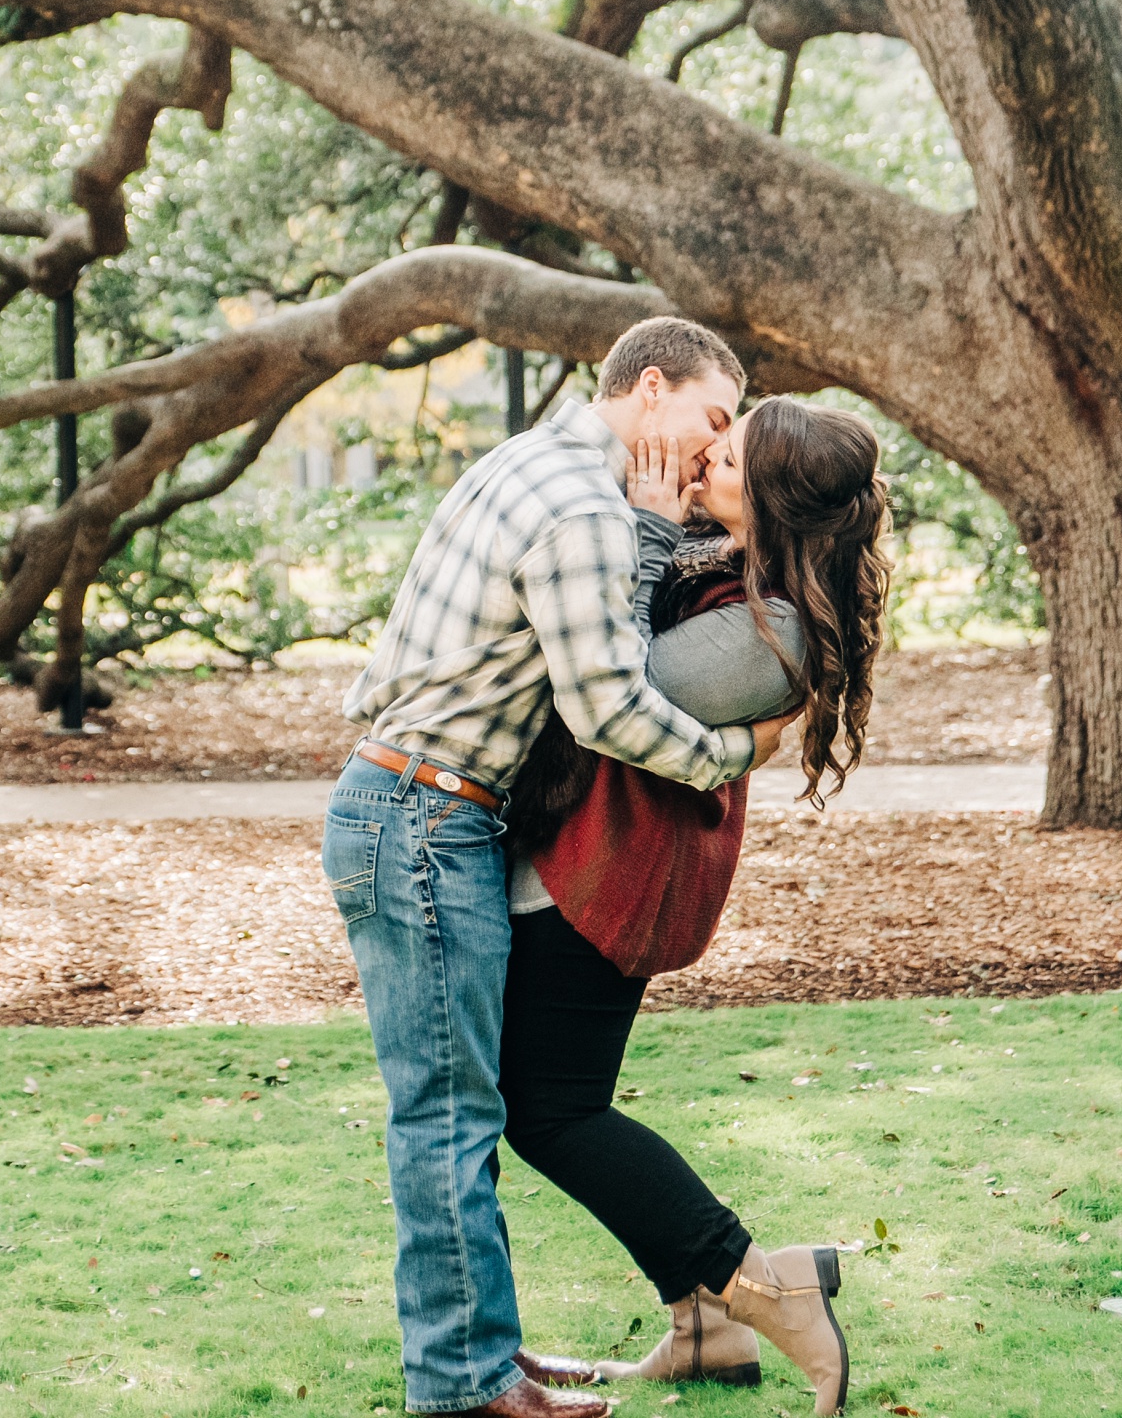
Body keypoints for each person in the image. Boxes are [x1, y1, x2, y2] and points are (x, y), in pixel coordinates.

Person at [325, 317, 819, 1418]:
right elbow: (606, 706)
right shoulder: (586, 507)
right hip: (420, 817)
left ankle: (480, 1359)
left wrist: (654, 532)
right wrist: (729, 758)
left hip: (420, 808)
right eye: (709, 416)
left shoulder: (539, 462)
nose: (712, 443)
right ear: (650, 389)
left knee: (462, 1107)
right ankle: (464, 1388)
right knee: (447, 1116)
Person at [498, 399, 889, 1416]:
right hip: (593, 864)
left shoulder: (772, 630)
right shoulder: (732, 578)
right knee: (548, 1103)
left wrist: (640, 524)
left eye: (721, 460)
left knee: (551, 1112)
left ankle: (761, 1282)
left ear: (763, 498)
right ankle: (704, 1327)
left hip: (607, 878)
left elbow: (613, 696)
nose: (694, 465)